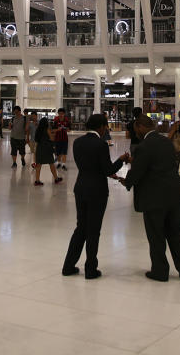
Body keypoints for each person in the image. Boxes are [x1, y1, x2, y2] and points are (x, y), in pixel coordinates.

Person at [122, 116, 180, 282]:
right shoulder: (165, 141)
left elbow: (138, 171)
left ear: (140, 127)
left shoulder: (143, 146)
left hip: (154, 197)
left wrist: (127, 181)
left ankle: (160, 271)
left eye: (135, 129)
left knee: (156, 235)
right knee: (175, 232)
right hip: (175, 194)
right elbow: (158, 163)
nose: (135, 132)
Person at [62, 113, 129, 279]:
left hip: (81, 186)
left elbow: (89, 165)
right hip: (97, 190)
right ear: (101, 126)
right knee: (93, 230)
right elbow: (108, 170)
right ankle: (91, 269)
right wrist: (121, 159)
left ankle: (68, 265)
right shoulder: (101, 144)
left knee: (81, 227)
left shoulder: (77, 142)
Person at [33, 117, 63, 186]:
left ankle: (37, 180)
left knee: (39, 165)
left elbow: (37, 140)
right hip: (47, 149)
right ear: (46, 123)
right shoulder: (47, 129)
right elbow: (51, 138)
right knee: (51, 163)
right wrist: (54, 135)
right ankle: (56, 178)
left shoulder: (38, 130)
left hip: (39, 148)